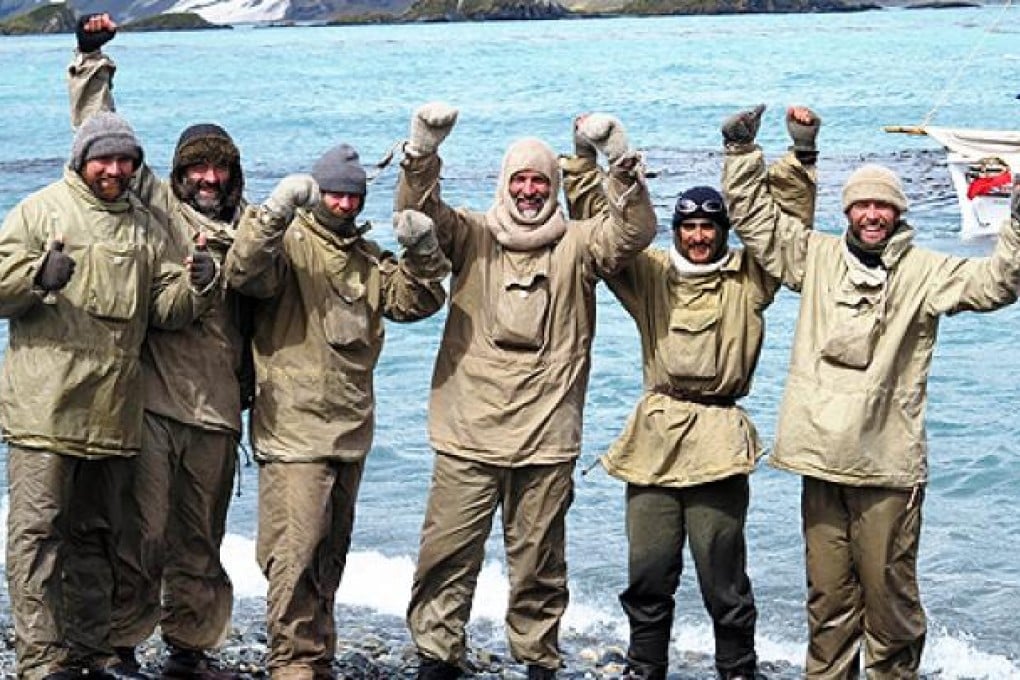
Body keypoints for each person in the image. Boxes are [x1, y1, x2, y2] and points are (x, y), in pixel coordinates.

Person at [720, 104, 1020, 678]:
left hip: (888, 470)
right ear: (849, 212)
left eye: (883, 205)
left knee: (891, 611)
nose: (873, 214)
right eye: (862, 205)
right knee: (828, 606)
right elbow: (756, 221)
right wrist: (743, 152)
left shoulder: (926, 271)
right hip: (821, 464)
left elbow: (998, 284)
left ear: (898, 212)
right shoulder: (815, 256)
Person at [393, 103, 658, 680]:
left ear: (555, 187)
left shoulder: (580, 244)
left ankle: (538, 660)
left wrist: (617, 155)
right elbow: (418, 217)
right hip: (466, 435)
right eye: (520, 179)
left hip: (546, 439)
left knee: (538, 565)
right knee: (446, 558)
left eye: (541, 181)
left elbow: (635, 231)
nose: (530, 190)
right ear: (503, 183)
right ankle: (437, 657)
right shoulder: (472, 234)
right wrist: (422, 152)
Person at [560, 109, 819, 680]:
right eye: (688, 226)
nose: (699, 236)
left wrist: (800, 151)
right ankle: (643, 668)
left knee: (722, 577)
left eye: (709, 226)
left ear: (723, 230)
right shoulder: (652, 275)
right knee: (647, 573)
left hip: (719, 441)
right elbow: (601, 232)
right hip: (653, 438)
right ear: (676, 230)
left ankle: (739, 670)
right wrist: (583, 160)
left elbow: (786, 235)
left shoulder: (750, 279)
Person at [67, 15, 254, 677]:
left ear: (234, 174)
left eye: (219, 167)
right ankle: (122, 642)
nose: (208, 177)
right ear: (177, 173)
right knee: (139, 532)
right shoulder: (157, 209)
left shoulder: (255, 232)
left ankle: (191, 645)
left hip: (220, 409)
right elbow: (103, 135)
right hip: (153, 401)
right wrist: (92, 58)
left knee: (201, 538)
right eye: (196, 167)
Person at [0, 110, 216, 680]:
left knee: (97, 536)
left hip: (113, 411)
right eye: (104, 158)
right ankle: (41, 660)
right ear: (81, 160)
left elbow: (166, 311)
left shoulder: (148, 227)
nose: (114, 170)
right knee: (37, 538)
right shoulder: (41, 210)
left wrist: (199, 284)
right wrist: (36, 277)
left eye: (125, 160)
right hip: (43, 407)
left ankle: (90, 653)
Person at [223, 143, 450, 680]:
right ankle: (291, 659)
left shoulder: (368, 257)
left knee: (330, 552)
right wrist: (276, 210)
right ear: (316, 193)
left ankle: (316, 653)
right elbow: (243, 271)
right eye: (334, 194)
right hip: (292, 430)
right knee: (292, 552)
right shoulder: (290, 246)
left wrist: (420, 248)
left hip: (351, 430)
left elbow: (417, 301)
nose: (344, 205)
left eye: (352, 196)